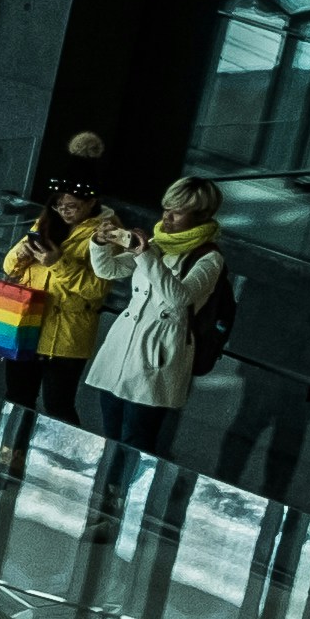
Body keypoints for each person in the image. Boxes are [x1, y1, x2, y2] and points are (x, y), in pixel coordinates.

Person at [80, 180, 223, 467]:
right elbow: (109, 270)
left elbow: (178, 299)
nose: (167, 217)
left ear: (201, 215)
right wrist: (99, 243)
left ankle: (120, 500)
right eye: (166, 209)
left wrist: (144, 254)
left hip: (158, 351)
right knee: (110, 435)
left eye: (177, 212)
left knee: (137, 440)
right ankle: (103, 494)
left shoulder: (209, 258)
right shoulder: (158, 244)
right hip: (124, 347)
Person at [0, 183, 115, 449]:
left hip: (67, 334)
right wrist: (21, 253)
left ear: (91, 203)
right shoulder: (46, 220)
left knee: (58, 405)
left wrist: (58, 263)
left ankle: (63, 460)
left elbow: (97, 290)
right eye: (58, 205)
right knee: (17, 397)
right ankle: (9, 453)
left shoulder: (103, 235)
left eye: (71, 206)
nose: (63, 211)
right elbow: (8, 265)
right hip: (26, 323)